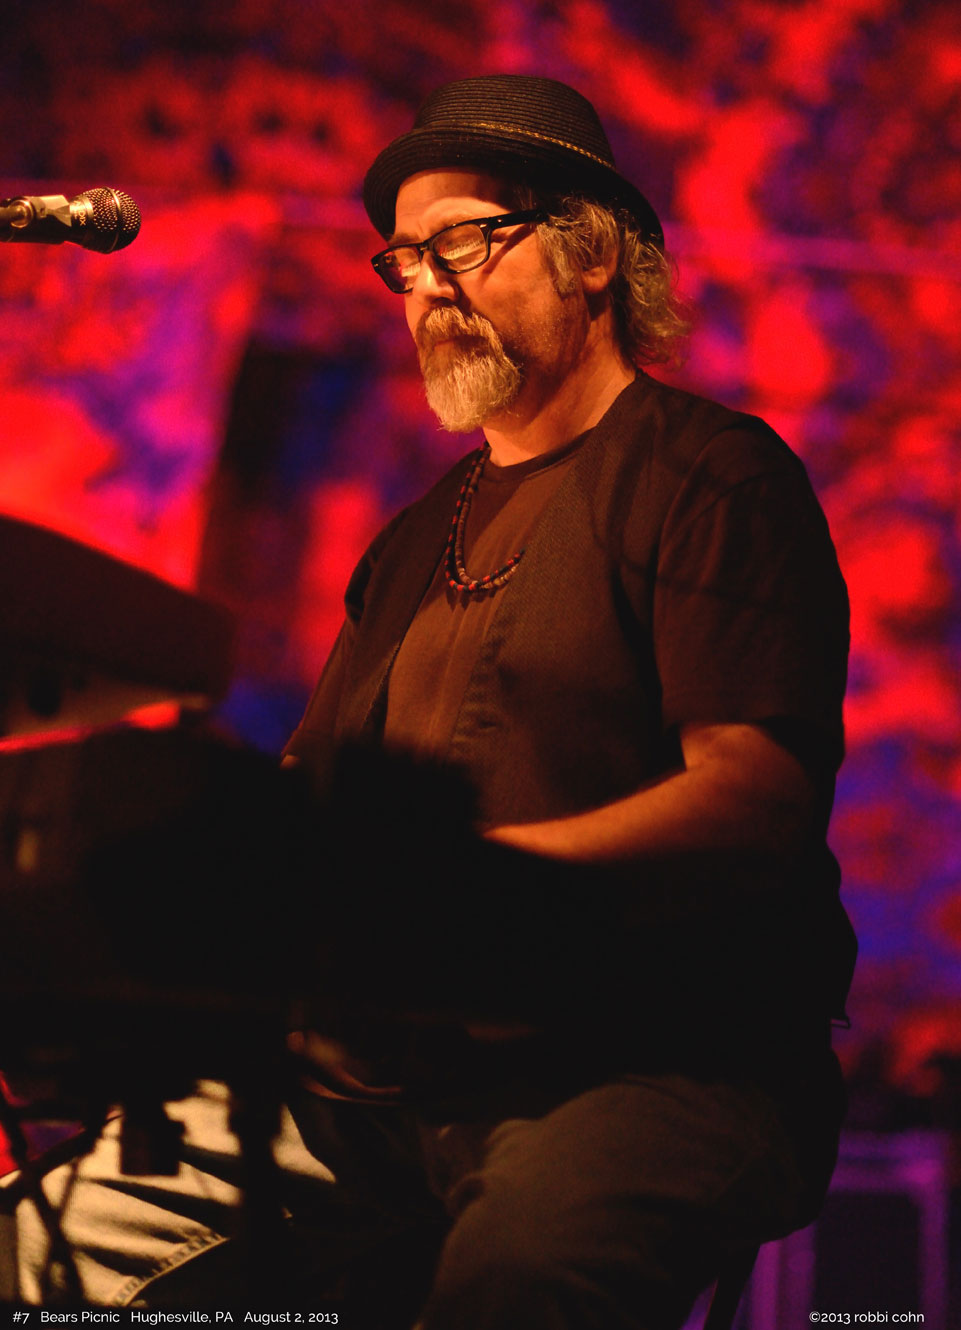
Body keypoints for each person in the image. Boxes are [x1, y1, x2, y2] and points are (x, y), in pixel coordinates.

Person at [2, 74, 855, 1330]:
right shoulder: (413, 539)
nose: (425, 287)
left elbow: (754, 796)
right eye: (403, 260)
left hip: (645, 1061)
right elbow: (307, 809)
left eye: (462, 241)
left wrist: (479, 883)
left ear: (592, 254)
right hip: (378, 1084)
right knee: (30, 1247)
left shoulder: (712, 474)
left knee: (517, 1281)